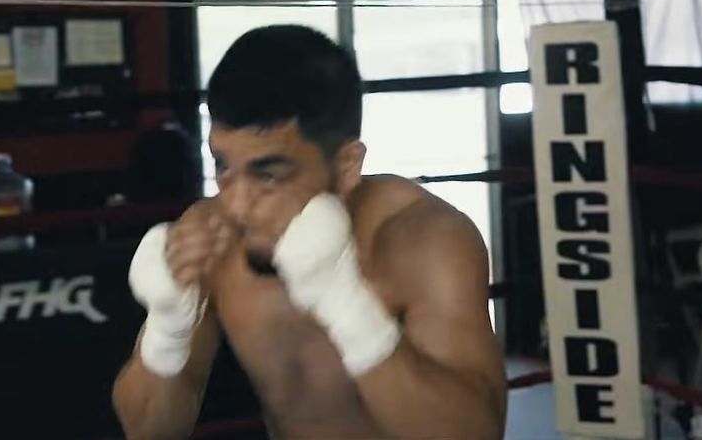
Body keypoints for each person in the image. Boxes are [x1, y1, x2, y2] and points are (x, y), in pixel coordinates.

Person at [112, 25, 506, 440]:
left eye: (268, 175)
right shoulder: (215, 238)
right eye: (224, 167)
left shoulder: (424, 240)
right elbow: (147, 431)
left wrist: (348, 304)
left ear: (347, 165)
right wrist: (168, 328)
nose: (237, 204)